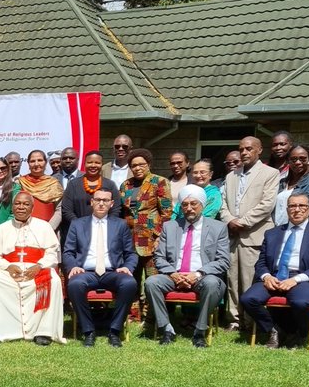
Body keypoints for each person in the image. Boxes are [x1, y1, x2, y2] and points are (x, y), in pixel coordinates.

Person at [241, 192, 309, 349]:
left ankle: (300, 334)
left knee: (300, 302)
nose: (297, 209)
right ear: (287, 209)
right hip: (275, 277)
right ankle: (274, 330)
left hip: (303, 279)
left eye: (302, 206)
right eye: (292, 206)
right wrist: (266, 276)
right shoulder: (272, 233)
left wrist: (295, 280)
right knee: (248, 299)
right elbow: (261, 262)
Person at [145, 185, 230, 348]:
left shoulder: (218, 228)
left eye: (193, 204)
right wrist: (173, 274)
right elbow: (159, 257)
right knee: (151, 283)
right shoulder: (170, 226)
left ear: (202, 205)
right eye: (185, 204)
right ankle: (166, 329)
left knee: (212, 283)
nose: (189, 208)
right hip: (174, 275)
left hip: (202, 276)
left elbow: (223, 261)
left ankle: (199, 331)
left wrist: (197, 274)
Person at [0, 192, 67, 345]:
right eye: (17, 203)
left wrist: (39, 266)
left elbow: (52, 254)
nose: (21, 207)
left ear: (32, 207)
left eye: (26, 204)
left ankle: (43, 331)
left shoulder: (44, 227)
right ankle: (2, 331)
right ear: (12, 206)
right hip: (10, 272)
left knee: (53, 280)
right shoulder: (2, 229)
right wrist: (7, 266)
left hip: (37, 270)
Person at [219, 136, 281, 331]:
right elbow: (223, 204)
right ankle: (234, 320)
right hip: (232, 235)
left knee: (249, 280)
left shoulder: (270, 173)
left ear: (259, 150)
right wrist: (229, 220)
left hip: (253, 234)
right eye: (241, 149)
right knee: (232, 280)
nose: (244, 152)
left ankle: (251, 321)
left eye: (249, 149)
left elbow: (267, 204)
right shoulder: (231, 176)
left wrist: (242, 222)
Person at [63, 189, 138, 348]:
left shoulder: (120, 225)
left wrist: (127, 267)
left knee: (129, 283)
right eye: (98, 200)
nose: (101, 203)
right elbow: (68, 252)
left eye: (105, 200)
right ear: (92, 202)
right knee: (75, 284)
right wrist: (73, 266)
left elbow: (131, 253)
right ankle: (88, 331)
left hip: (113, 272)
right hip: (86, 272)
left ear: (111, 204)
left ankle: (115, 330)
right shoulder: (77, 224)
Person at [120, 148, 171, 281]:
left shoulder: (159, 182)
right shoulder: (126, 185)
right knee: (131, 277)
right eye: (134, 166)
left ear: (149, 164)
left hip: (151, 238)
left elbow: (166, 213)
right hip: (130, 239)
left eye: (141, 164)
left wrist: (159, 236)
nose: (137, 168)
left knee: (152, 277)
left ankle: (150, 297)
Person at [61, 151, 122, 232]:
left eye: (97, 163)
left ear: (102, 164)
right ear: (84, 164)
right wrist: (80, 225)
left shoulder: (110, 184)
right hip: (78, 230)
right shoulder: (73, 184)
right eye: (89, 162)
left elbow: (116, 209)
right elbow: (67, 210)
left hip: (104, 230)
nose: (93, 165)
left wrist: (103, 224)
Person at [273, 145, 309, 227]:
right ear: (288, 161)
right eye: (293, 159)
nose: (298, 162)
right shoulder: (281, 183)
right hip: (277, 229)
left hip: (301, 231)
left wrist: (291, 228)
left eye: (303, 159)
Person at [16, 150, 64, 229]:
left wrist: (48, 228)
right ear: (28, 164)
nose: (36, 164)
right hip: (23, 229)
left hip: (48, 230)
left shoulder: (53, 183)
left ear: (45, 162)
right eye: (32, 161)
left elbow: (59, 210)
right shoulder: (20, 182)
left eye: (40, 160)